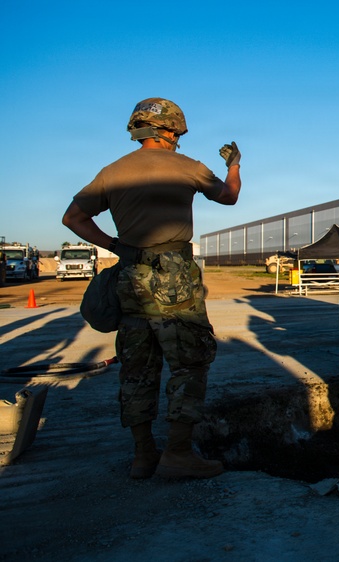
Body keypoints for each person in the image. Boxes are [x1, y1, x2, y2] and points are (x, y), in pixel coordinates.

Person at [62, 97, 242, 480]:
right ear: (171, 130)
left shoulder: (113, 172)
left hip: (129, 273)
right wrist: (234, 166)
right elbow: (229, 197)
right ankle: (177, 453)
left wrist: (114, 246)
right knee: (190, 361)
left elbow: (73, 217)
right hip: (174, 275)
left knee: (137, 366)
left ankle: (144, 455)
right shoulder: (187, 166)